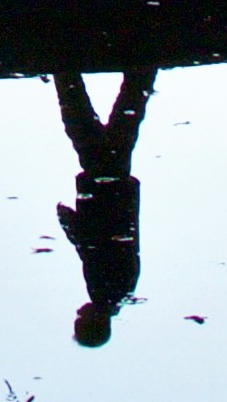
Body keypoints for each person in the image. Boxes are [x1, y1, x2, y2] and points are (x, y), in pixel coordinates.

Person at [55, 63, 155, 347]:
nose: (77, 313)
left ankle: (144, 69)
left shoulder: (121, 293)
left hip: (115, 189)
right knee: (79, 121)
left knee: (124, 120)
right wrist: (68, 221)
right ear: (91, 322)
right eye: (79, 320)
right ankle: (63, 67)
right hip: (105, 189)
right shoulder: (104, 291)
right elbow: (91, 244)